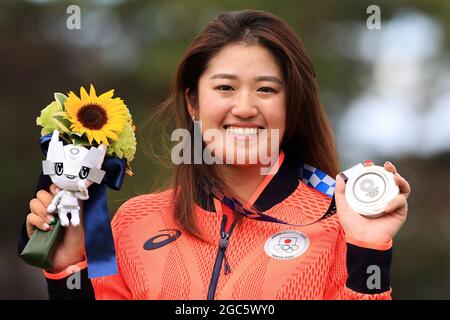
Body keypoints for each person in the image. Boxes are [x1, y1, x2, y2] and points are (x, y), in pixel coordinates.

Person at [21, 9, 411, 300]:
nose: (244, 107)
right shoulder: (133, 222)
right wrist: (68, 265)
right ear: (193, 102)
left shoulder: (338, 222)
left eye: (266, 90)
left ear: (292, 107)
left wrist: (369, 252)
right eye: (225, 88)